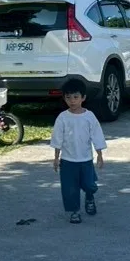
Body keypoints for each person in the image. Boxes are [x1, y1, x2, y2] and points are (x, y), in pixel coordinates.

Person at [51, 77, 106, 223]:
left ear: (83, 98)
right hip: (68, 161)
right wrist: (56, 158)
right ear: (64, 98)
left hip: (85, 159)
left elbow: (97, 135)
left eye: (76, 97)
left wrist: (99, 154)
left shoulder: (89, 117)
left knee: (89, 185)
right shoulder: (62, 118)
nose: (72, 101)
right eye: (68, 97)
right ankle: (74, 211)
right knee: (70, 188)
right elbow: (57, 138)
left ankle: (89, 197)